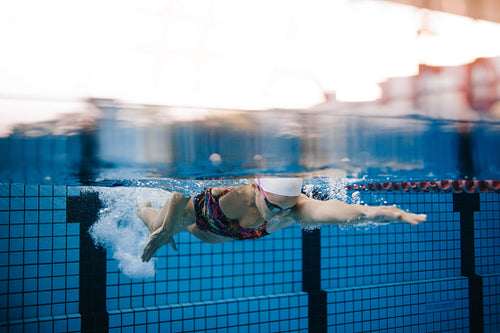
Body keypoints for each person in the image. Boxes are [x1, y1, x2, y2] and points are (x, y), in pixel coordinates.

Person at [138, 178, 426, 262]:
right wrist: (164, 230)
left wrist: (372, 213)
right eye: (275, 206)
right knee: (156, 228)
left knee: (175, 233)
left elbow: (333, 213)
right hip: (194, 216)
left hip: (218, 235)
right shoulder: (237, 193)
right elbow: (179, 194)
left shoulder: (293, 207)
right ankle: (142, 207)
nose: (280, 214)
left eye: (288, 208)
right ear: (258, 191)